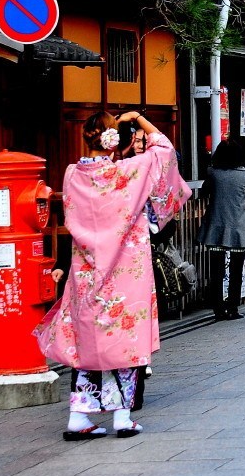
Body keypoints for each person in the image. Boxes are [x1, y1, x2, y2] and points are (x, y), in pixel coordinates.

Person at [35, 110, 191, 440]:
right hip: (124, 272)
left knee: (87, 346)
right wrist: (138, 117)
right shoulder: (128, 172)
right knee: (125, 342)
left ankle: (79, 416)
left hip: (87, 273)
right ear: (115, 141)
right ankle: (122, 417)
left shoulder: (72, 175)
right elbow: (164, 150)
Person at [196, 138, 245, 321]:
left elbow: (204, 192)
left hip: (215, 227)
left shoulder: (213, 173)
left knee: (216, 270)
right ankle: (233, 307)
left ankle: (218, 308)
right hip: (239, 228)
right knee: (236, 270)